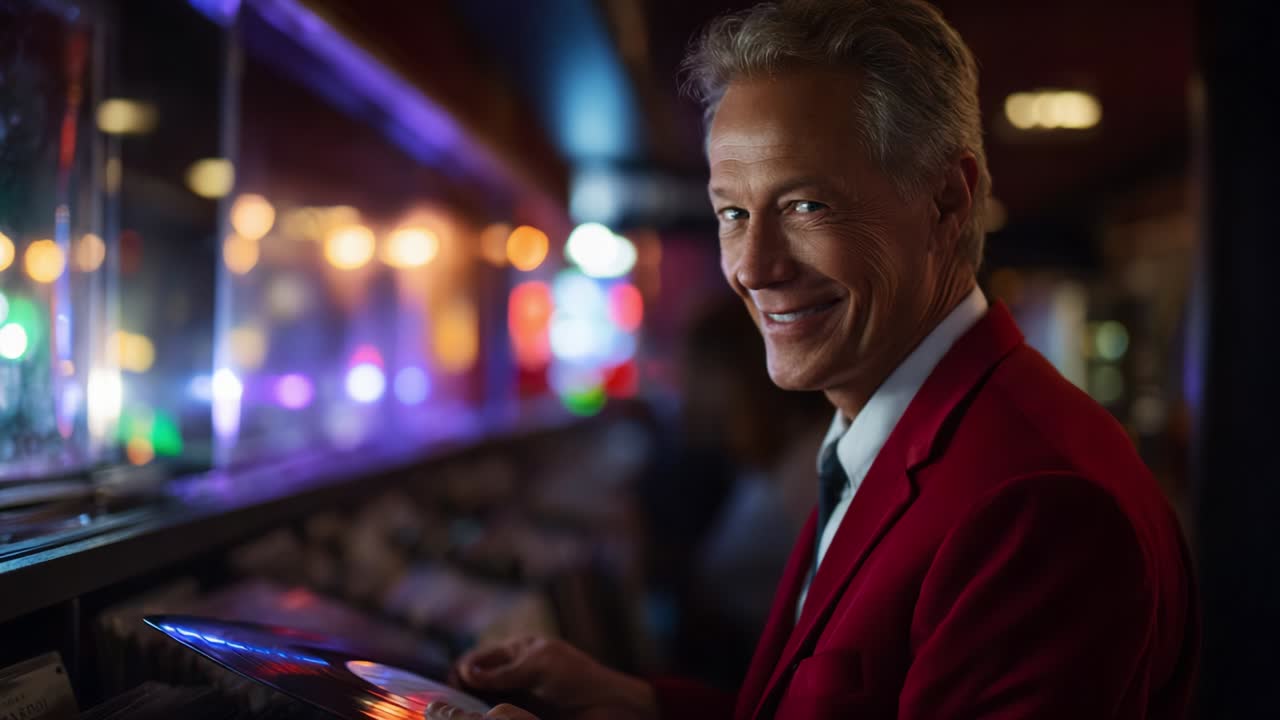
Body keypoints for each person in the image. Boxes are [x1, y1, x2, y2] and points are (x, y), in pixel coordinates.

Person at [426, 1, 1200, 718]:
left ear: (947, 201)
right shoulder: (875, 428)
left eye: (805, 205)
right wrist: (640, 706)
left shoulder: (1038, 505)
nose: (753, 267)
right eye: (733, 212)